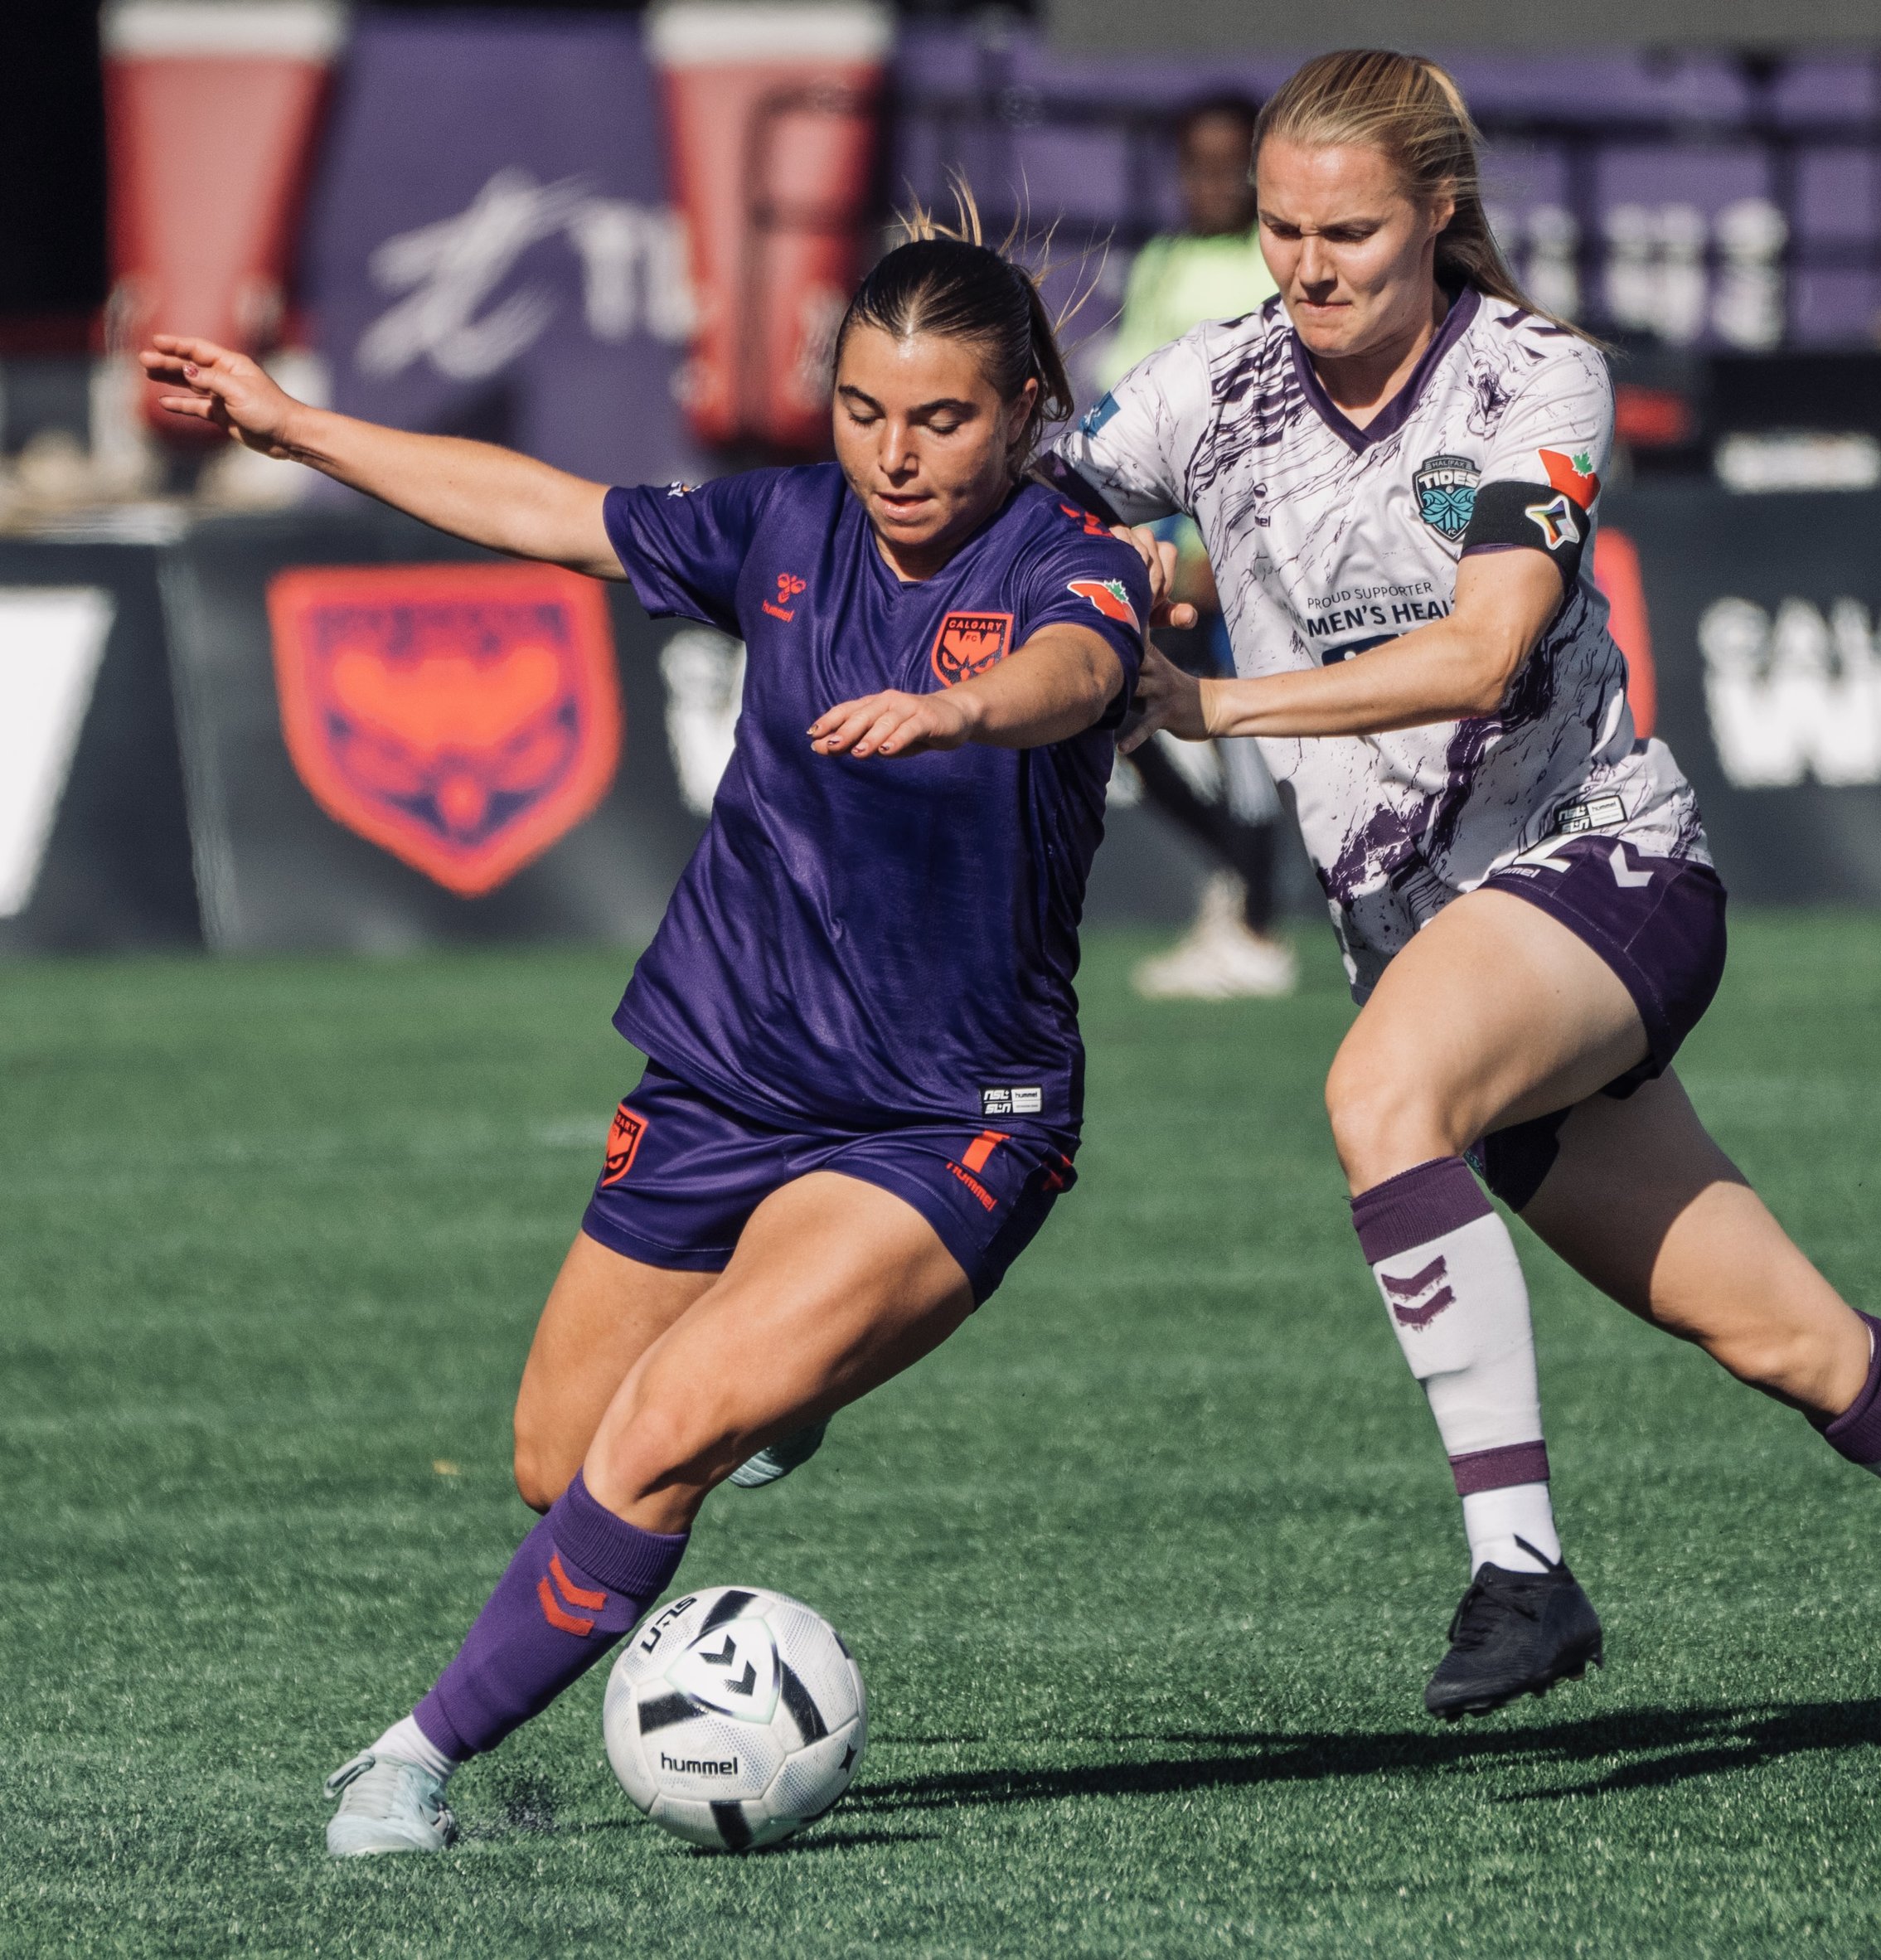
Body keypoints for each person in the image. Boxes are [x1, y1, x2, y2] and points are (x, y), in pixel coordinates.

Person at [1048, 48, 1881, 1720]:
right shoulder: (1209, 383)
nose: (1307, 267)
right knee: (1799, 1345)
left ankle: (1520, 1569)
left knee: (1379, 1098)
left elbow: (1483, 650)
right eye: (1282, 230)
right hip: (1432, 951)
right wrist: (1069, 568)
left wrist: (1209, 698)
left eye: (1348, 233)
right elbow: (1022, 516)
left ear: (1436, 213)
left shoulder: (1537, 375)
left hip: (1602, 867)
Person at [143, 218, 1151, 1855]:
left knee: (669, 1426)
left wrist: (961, 706)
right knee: (563, 1460)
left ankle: (409, 1759)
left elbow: (1078, 669)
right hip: (724, 1074)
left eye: (941, 419)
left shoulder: (1069, 561)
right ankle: (781, 1395)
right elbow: (551, 513)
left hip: (947, 1113)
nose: (893, 455)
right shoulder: (784, 524)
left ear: (1023, 408)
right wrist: (297, 427)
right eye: (861, 410)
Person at [1099, 95, 1294, 1001]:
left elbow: (1274, 423)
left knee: (1237, 721)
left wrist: (1227, 544)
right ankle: (1239, 881)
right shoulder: (1160, 264)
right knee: (1122, 711)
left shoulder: (1273, 264)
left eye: (1230, 166)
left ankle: (1254, 926)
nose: (1211, 183)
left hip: (1241, 543)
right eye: (1195, 164)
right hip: (1160, 541)